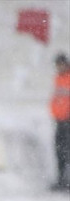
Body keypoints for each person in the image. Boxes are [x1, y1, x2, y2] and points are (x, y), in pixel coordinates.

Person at [50, 52, 70, 191]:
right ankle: (61, 179)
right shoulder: (58, 79)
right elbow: (56, 99)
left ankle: (66, 180)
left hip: (68, 121)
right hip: (60, 121)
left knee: (67, 151)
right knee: (59, 151)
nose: (59, 67)